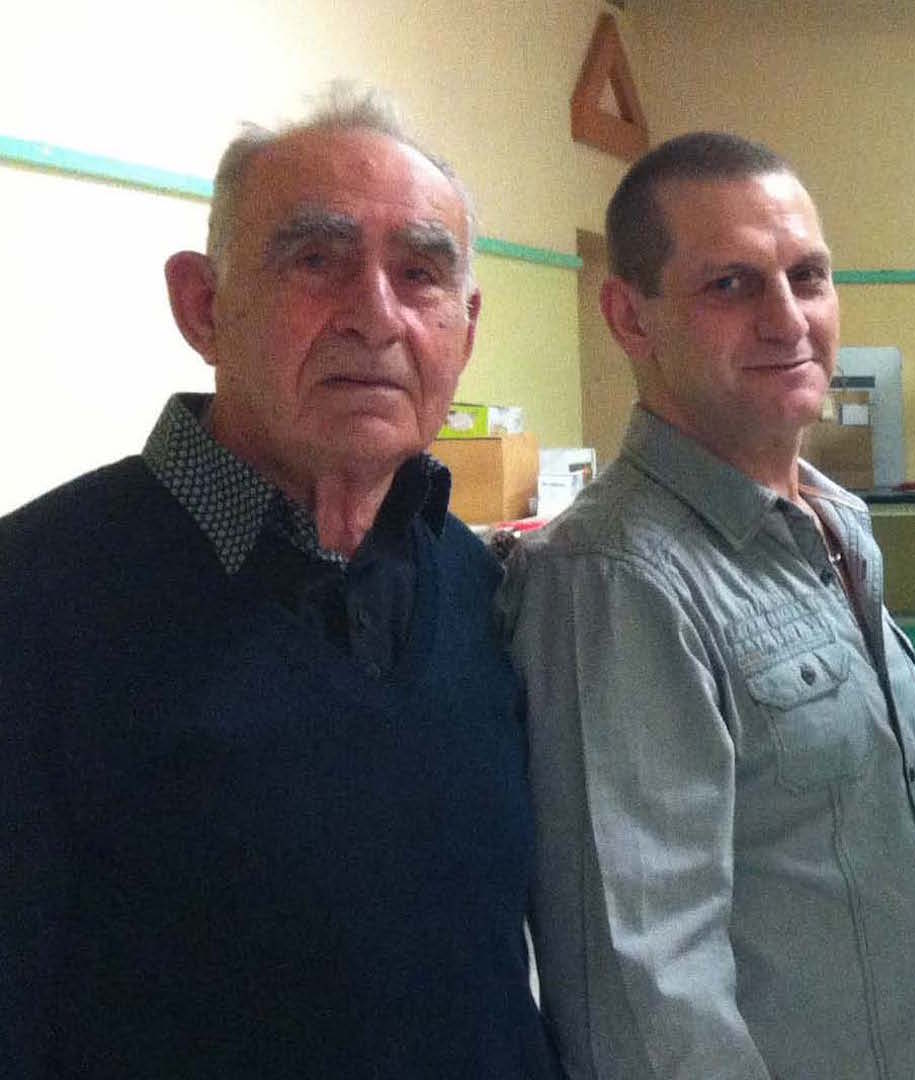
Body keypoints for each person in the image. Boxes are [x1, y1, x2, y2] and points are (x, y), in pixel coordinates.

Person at [0, 85, 559, 1077]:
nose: (376, 316)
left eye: (421, 274)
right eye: (315, 260)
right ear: (203, 306)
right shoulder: (33, 601)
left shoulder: (478, 584)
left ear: (465, 331)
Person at [499, 132, 915, 1079]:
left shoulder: (832, 524)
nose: (788, 320)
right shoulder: (617, 579)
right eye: (731, 285)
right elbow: (643, 997)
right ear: (629, 318)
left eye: (808, 276)